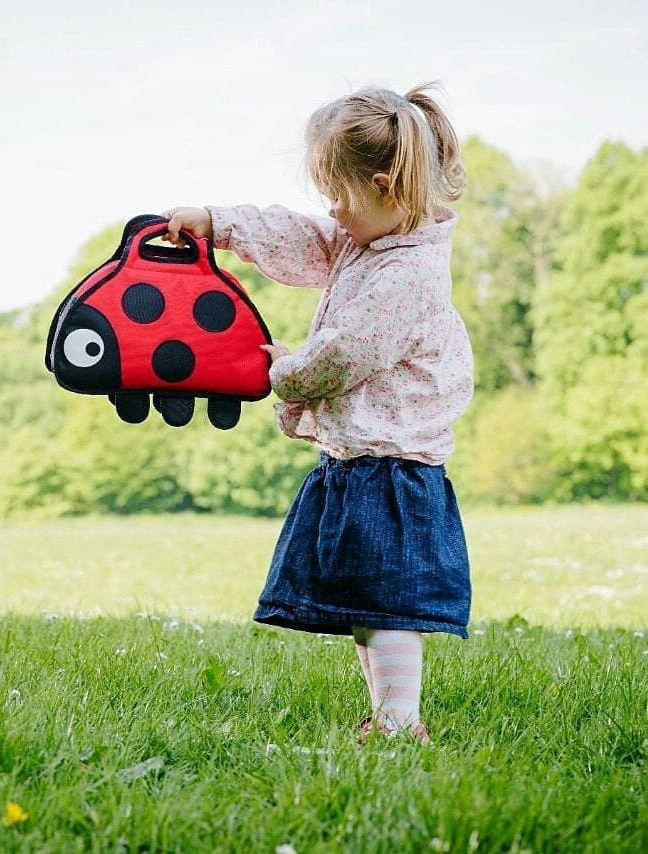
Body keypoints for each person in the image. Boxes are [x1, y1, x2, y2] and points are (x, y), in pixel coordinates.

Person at [160, 81, 473, 747]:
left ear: (386, 186)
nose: (330, 209)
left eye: (339, 195)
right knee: (368, 607)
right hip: (363, 461)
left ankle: (399, 719)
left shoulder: (408, 276)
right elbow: (304, 238)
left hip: (393, 468)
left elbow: (346, 355)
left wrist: (283, 370)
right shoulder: (368, 240)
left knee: (389, 606)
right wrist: (220, 222)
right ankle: (391, 715)